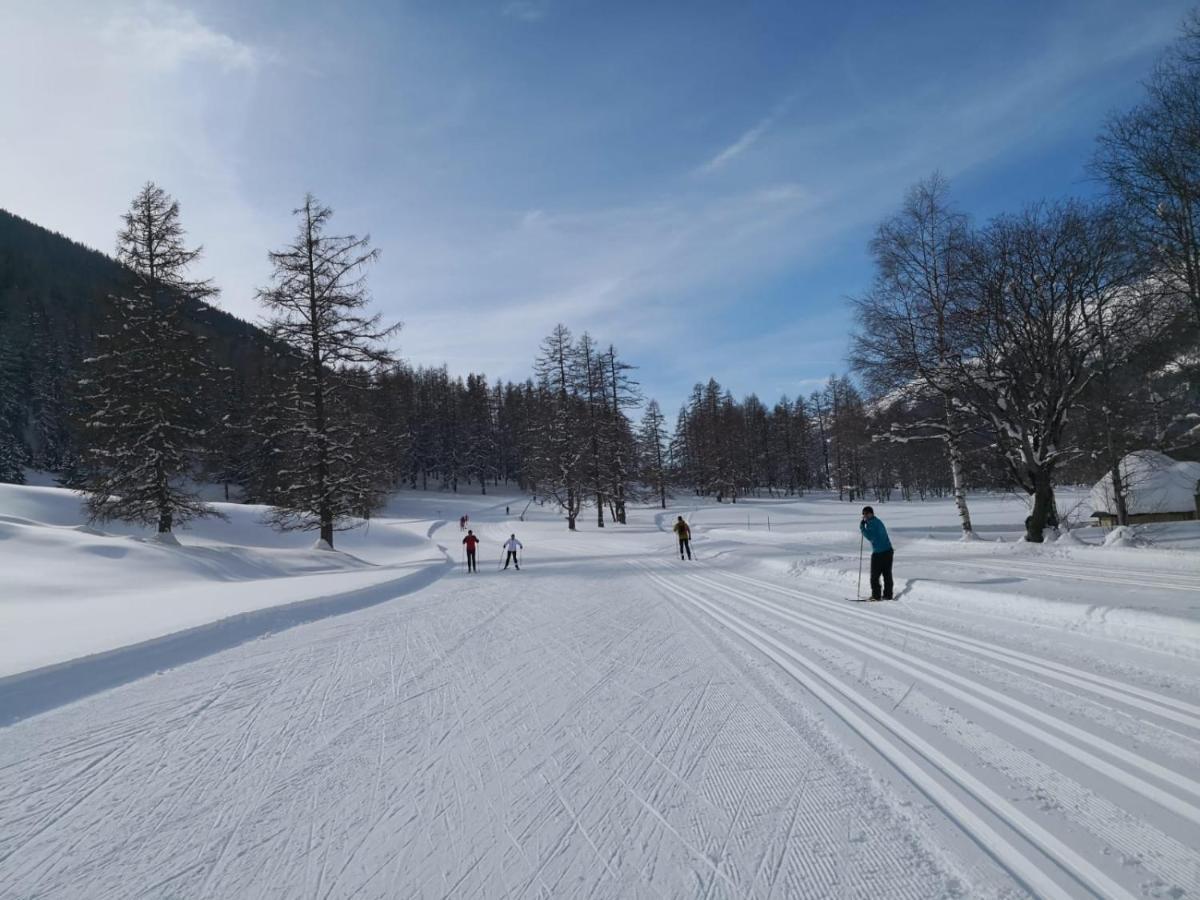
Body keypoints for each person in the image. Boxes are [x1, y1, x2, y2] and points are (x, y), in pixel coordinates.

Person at [859, 506, 893, 600]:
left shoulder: (873, 523)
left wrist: (862, 527)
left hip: (879, 553)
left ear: (871, 513)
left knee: (875, 576)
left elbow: (870, 536)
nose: (864, 516)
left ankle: (876, 596)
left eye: (866, 514)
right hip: (888, 551)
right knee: (887, 574)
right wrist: (866, 524)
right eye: (863, 514)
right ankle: (888, 595)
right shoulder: (876, 521)